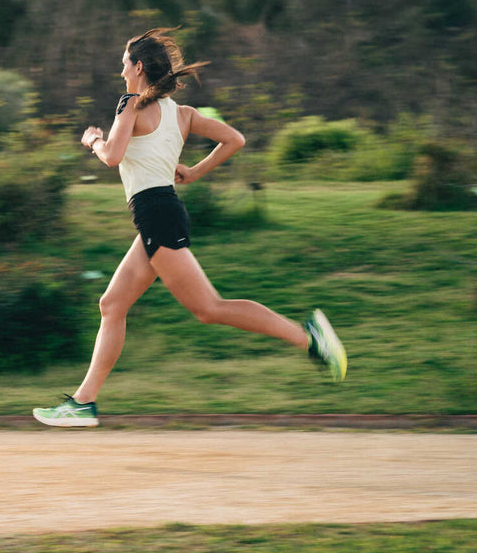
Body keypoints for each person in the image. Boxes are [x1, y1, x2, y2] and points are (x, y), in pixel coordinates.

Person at [33, 28, 346, 428]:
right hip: (159, 212)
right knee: (112, 305)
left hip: (156, 215)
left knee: (208, 308)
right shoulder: (183, 115)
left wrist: (93, 139)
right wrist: (194, 173)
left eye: (124, 62)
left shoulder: (128, 104)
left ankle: (309, 339)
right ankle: (83, 402)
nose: (121, 69)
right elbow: (234, 139)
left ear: (139, 67)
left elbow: (112, 157)